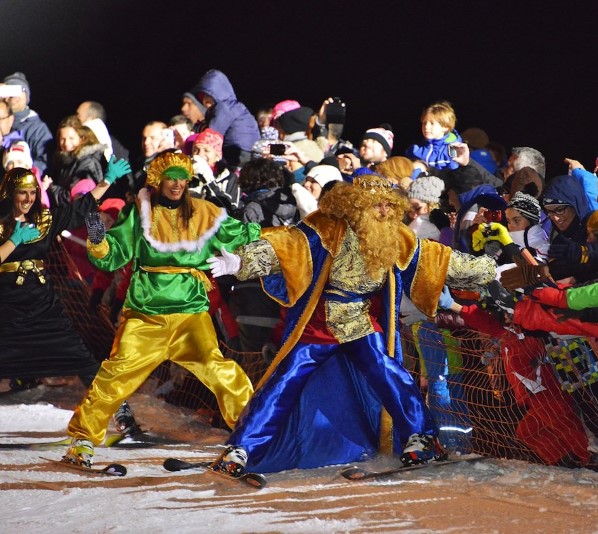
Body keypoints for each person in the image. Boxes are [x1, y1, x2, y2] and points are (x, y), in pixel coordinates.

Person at [205, 171, 497, 476]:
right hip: (321, 322)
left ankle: (421, 436)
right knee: (286, 379)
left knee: (387, 371)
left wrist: (491, 270)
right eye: (374, 206)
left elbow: (439, 260)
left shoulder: (395, 236)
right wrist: (241, 262)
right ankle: (243, 448)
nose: (382, 212)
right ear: (355, 205)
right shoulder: (328, 227)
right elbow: (288, 245)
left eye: (387, 206)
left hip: (361, 321)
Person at [62, 151, 259, 467]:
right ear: (157, 179)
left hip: (191, 314)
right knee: (115, 374)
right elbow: (112, 257)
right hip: (145, 314)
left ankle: (252, 439)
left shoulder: (205, 213)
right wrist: (99, 239)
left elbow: (249, 237)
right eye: (171, 177)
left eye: (184, 177)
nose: (178, 184)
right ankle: (83, 439)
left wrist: (251, 226)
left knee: (222, 372)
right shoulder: (138, 214)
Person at [0, 159, 127, 391]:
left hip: (40, 298)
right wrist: (13, 241)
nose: (28, 199)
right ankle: (22, 377)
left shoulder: (43, 220)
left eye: (32, 192)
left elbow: (81, 208)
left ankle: (122, 414)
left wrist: (107, 181)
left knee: (79, 356)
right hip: (7, 299)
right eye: (22, 193)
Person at [190, 69, 260, 167]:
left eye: (208, 96)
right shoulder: (235, 106)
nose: (205, 101)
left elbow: (212, 135)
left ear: (217, 93)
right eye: (203, 98)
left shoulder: (224, 107)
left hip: (236, 152)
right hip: (250, 150)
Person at [2, 72, 54, 173]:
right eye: (9, 91)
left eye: (18, 90)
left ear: (26, 96)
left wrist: (23, 174)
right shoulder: (2, 122)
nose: (12, 96)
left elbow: (45, 161)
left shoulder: (38, 128)